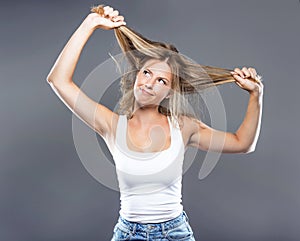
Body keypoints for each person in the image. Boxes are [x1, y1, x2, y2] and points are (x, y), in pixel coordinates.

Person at [46, 4, 264, 241]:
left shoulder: (183, 127)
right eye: (147, 73)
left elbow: (243, 143)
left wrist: (256, 95)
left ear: (170, 92)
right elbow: (58, 80)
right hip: (128, 234)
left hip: (175, 234)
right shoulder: (111, 125)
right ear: (137, 75)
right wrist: (91, 23)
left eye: (161, 80)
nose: (149, 83)